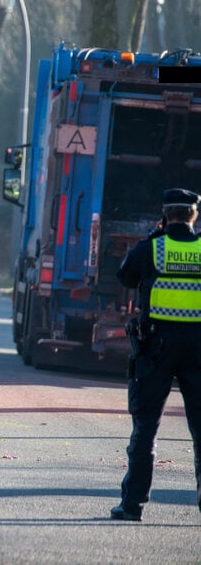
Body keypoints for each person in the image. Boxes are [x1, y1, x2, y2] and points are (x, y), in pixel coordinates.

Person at [111, 187, 201, 522]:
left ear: (165, 216)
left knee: (145, 428)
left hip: (156, 349)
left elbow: (124, 276)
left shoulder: (152, 248)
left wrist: (152, 236)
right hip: (199, 350)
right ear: (194, 216)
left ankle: (133, 505)